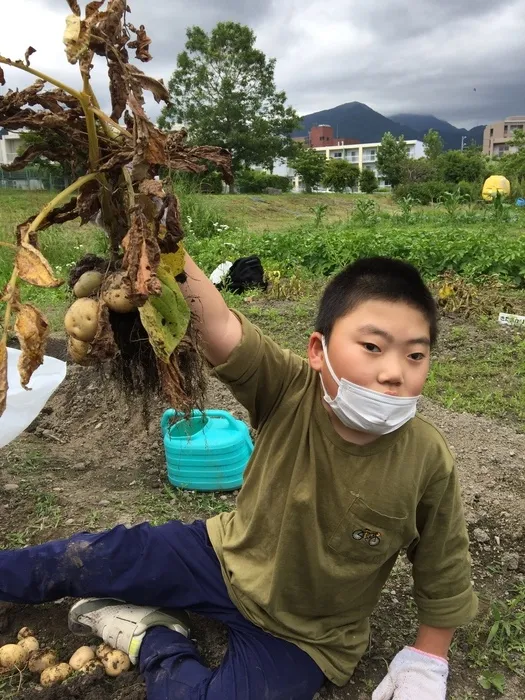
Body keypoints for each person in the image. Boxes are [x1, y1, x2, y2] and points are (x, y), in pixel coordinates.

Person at [0, 255, 478, 700]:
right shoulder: (289, 388)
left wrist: (427, 658)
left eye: (416, 355)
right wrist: (151, 227)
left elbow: (443, 566)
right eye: (372, 347)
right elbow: (218, 324)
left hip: (307, 635)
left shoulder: (426, 458)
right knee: (85, 558)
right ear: (318, 350)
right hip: (222, 557)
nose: (394, 372)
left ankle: (152, 637)